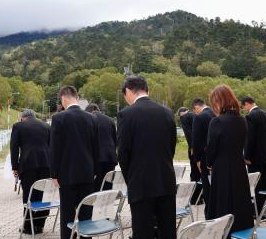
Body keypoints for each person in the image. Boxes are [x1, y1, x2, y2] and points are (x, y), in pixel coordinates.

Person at [117, 75, 177, 239]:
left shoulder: (126, 114)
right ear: (147, 90)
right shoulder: (167, 112)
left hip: (141, 183)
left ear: (128, 91)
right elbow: (171, 147)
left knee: (143, 231)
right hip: (166, 179)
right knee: (168, 230)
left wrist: (132, 178)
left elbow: (123, 154)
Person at [50, 86, 98, 239]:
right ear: (76, 97)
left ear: (63, 98)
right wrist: (95, 170)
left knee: (67, 215)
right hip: (88, 173)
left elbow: (55, 149)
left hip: (67, 174)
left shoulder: (59, 118)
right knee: (86, 214)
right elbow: (96, 148)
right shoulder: (91, 118)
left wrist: (54, 174)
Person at [206, 85, 254, 235]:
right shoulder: (242, 120)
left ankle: (222, 231)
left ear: (219, 101)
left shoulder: (217, 122)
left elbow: (211, 148)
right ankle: (240, 231)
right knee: (239, 199)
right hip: (239, 166)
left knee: (223, 201)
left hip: (222, 167)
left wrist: (208, 164)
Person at [10, 109, 51, 235]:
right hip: (46, 165)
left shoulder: (18, 126)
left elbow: (14, 148)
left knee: (29, 195)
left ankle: (28, 227)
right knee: (43, 195)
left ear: (23, 117)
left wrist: (15, 167)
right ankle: (40, 225)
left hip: (28, 166)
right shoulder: (46, 126)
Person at [240, 96, 266, 215]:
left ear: (247, 104)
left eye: (243, 106)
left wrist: (246, 156)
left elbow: (250, 139)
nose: (244, 109)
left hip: (254, 157)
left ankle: (259, 211)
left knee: (256, 185)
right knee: (265, 184)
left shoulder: (250, 116)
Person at [191, 98, 215, 218]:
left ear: (196, 107)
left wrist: (197, 160)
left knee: (207, 187)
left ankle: (209, 215)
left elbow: (196, 141)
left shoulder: (199, 117)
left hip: (205, 158)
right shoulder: (216, 112)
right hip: (217, 157)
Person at [85, 103, 117, 191]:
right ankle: (108, 203)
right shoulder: (110, 120)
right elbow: (115, 139)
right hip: (110, 157)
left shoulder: (89, 119)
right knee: (108, 186)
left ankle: (97, 204)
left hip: (96, 159)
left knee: (96, 187)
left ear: (88, 112)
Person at [178, 107, 201, 183]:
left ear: (182, 113)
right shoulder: (197, 115)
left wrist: (192, 147)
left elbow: (188, 133)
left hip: (194, 146)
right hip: (202, 145)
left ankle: (195, 183)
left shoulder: (184, 117)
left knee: (194, 166)